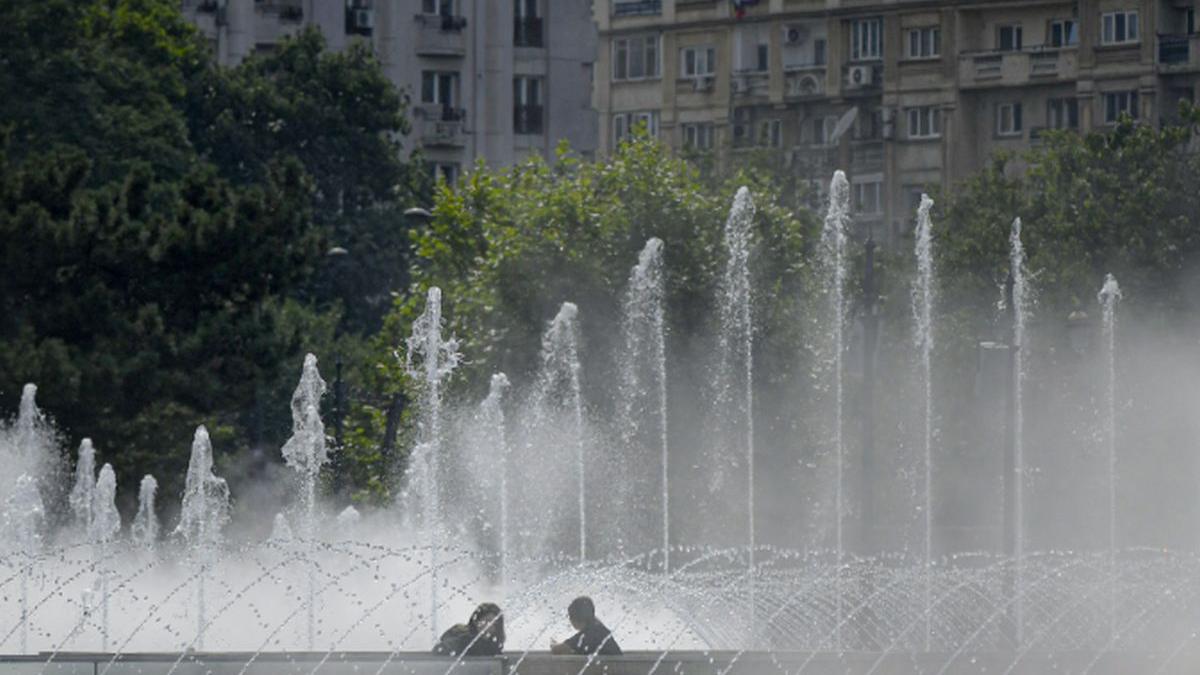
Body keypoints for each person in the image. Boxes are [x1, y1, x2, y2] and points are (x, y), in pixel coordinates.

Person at [550, 596, 622, 656]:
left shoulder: (589, 634)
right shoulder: (600, 630)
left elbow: (558, 649)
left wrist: (553, 644)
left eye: (570, 616)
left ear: (575, 618)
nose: (569, 620)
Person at [433, 602, 505, 657]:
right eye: (486, 621)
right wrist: (465, 642)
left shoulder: (492, 648)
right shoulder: (459, 633)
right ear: (476, 621)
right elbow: (439, 651)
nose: (489, 627)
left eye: (495, 624)